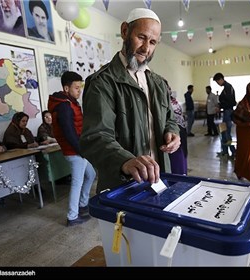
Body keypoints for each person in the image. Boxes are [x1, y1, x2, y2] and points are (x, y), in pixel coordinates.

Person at [80, 8, 180, 194]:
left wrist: (172, 132)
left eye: (152, 42)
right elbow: (95, 137)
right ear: (125, 31)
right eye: (141, 37)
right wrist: (124, 160)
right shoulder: (103, 82)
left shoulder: (158, 83)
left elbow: (170, 119)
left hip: (159, 178)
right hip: (123, 184)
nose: (146, 48)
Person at [48, 71, 96, 227]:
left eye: (80, 87)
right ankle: (72, 216)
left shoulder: (69, 102)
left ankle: (83, 204)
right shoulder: (64, 106)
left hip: (78, 150)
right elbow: (68, 131)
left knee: (91, 174)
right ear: (66, 88)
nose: (79, 91)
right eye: (76, 88)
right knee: (77, 183)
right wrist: (81, 150)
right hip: (74, 151)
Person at [165, 80, 188, 175]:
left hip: (175, 131)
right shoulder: (173, 100)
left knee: (176, 156)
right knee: (181, 154)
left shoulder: (168, 102)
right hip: (180, 129)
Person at [213, 72, 236, 157]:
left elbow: (231, 102)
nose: (217, 83)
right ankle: (225, 151)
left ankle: (233, 152)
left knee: (226, 133)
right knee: (223, 132)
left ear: (221, 79)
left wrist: (220, 106)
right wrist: (220, 105)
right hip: (226, 111)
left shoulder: (228, 87)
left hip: (228, 112)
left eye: (217, 81)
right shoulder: (226, 88)